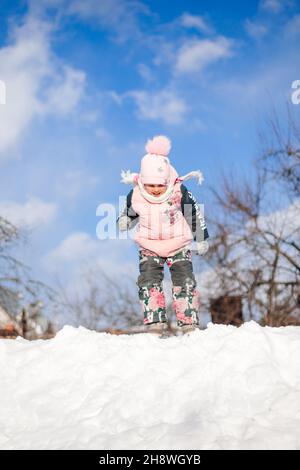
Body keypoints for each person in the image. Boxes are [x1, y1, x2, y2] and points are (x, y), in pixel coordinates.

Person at [117, 135, 209, 335]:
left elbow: (193, 213)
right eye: (151, 185)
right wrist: (125, 220)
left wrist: (201, 237)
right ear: (142, 181)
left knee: (184, 279)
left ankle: (188, 323)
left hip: (178, 244)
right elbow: (130, 211)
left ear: (167, 180)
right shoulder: (136, 193)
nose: (156, 189)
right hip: (149, 245)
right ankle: (155, 323)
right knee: (148, 280)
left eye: (160, 185)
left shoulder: (178, 191)